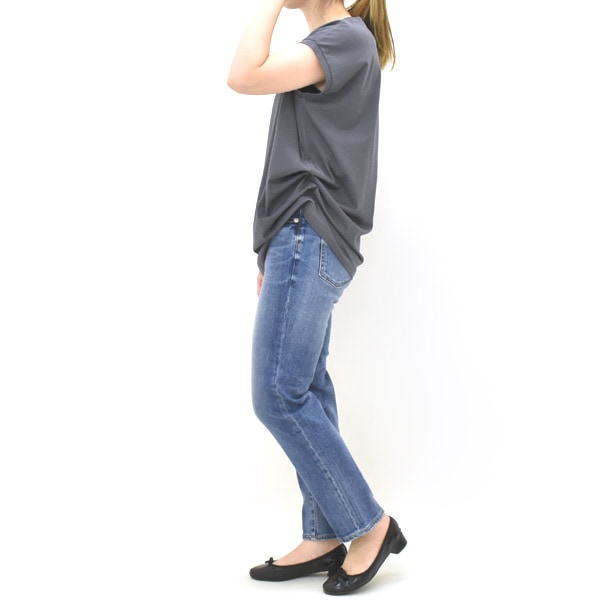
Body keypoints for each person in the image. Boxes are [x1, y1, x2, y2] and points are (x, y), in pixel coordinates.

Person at [227, 0, 406, 595]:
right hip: (298, 236)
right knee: (306, 387)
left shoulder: (342, 41)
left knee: (277, 394)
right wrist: (269, 251)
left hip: (310, 232)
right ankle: (324, 533)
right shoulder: (335, 45)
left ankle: (370, 525)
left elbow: (243, 76)